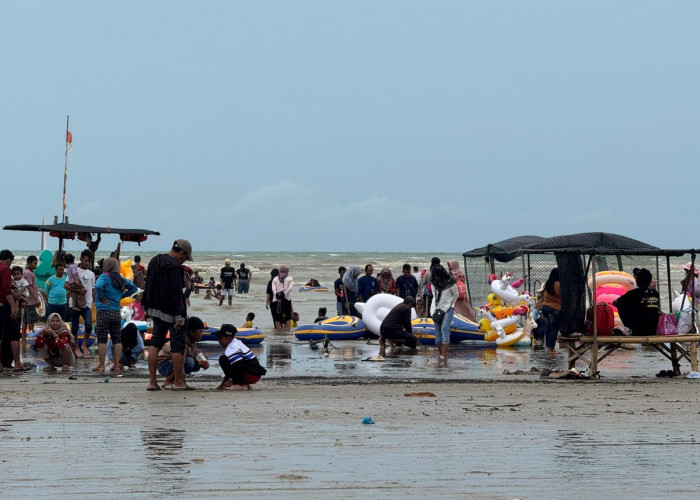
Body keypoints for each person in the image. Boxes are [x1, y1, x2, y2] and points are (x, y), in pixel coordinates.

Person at [142, 239, 193, 391]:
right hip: (172, 313)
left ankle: (152, 382)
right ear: (181, 253)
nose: (184, 260)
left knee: (155, 344)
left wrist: (146, 307)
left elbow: (148, 284)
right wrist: (178, 316)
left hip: (155, 310)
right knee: (177, 346)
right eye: (185, 257)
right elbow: (176, 293)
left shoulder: (154, 261)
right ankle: (178, 382)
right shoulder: (175, 268)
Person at [93, 257, 138, 373]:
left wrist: (100, 297)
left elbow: (98, 286)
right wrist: (120, 297)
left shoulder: (104, 276)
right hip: (116, 311)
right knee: (116, 339)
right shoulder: (121, 278)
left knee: (102, 339)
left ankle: (102, 365)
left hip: (103, 311)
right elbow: (133, 288)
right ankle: (117, 365)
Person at [157, 316, 209, 389]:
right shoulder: (182, 343)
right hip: (164, 365)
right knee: (189, 362)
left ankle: (175, 380)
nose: (202, 334)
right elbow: (181, 362)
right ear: (192, 333)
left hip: (173, 363)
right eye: (200, 331)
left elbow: (194, 355)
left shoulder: (192, 342)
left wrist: (202, 362)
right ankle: (168, 381)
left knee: (194, 364)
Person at [214, 324, 267, 390]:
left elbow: (239, 366)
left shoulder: (231, 348)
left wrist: (231, 381)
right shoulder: (237, 342)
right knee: (227, 360)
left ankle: (241, 384)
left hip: (251, 376)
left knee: (223, 359)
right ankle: (243, 383)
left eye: (221, 339)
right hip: (255, 374)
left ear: (229, 338)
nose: (219, 341)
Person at [65, 249, 96, 358]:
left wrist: (94, 302)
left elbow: (92, 289)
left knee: (88, 325)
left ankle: (83, 345)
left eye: (89, 262)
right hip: (74, 303)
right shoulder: (74, 270)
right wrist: (78, 291)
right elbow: (66, 285)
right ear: (81, 259)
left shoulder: (91, 274)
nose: (87, 263)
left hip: (87, 304)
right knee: (74, 327)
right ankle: (76, 347)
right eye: (85, 260)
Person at [613, 268, 660, 336]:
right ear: (650, 281)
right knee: (643, 307)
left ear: (637, 281)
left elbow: (615, 302)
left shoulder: (633, 293)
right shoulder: (655, 294)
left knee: (621, 305)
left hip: (637, 330)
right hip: (653, 329)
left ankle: (629, 329)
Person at [430, 264, 457, 366]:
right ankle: (440, 354)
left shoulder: (450, 282)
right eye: (434, 276)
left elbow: (456, 294)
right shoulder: (434, 282)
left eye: (437, 276)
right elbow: (434, 296)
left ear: (441, 274)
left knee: (444, 329)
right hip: (436, 308)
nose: (436, 278)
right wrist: (433, 310)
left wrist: (450, 305)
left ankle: (444, 356)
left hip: (448, 308)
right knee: (437, 334)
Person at [537, 268, 562, 353]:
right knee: (554, 329)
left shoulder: (547, 284)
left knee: (548, 328)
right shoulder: (559, 285)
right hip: (554, 309)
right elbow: (563, 296)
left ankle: (548, 348)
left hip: (545, 308)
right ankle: (551, 349)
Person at [21, 255, 39, 356]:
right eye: (34, 263)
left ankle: (24, 339)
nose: (35, 265)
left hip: (27, 300)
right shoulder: (28, 273)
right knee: (30, 320)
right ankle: (31, 338)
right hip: (30, 300)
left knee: (25, 320)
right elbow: (30, 287)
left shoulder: (27, 272)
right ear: (29, 263)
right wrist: (36, 299)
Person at [271, 265, 294, 329]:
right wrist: (283, 294)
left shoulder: (275, 278)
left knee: (277, 317)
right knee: (288, 316)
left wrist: (277, 296)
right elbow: (290, 288)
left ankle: (278, 330)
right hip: (286, 299)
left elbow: (273, 289)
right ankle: (287, 330)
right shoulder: (290, 278)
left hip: (276, 300)